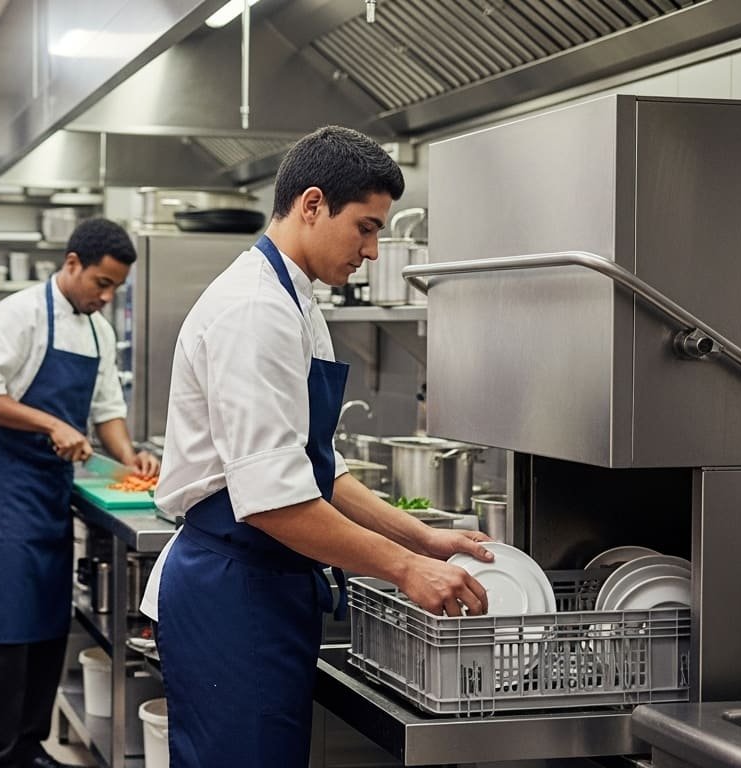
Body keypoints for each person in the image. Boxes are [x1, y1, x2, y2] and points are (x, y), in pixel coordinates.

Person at [140, 126, 493, 766]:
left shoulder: (298, 303)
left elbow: (316, 471)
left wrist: (422, 537)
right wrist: (406, 568)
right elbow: (275, 502)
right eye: (364, 227)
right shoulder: (254, 310)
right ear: (310, 204)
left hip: (267, 582)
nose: (373, 249)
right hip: (234, 588)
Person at [0, 218, 158, 768]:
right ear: (72, 264)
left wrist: (129, 454)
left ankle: (31, 745)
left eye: (115, 287)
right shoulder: (19, 313)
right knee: (8, 626)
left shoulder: (97, 330)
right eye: (100, 282)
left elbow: (105, 409)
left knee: (47, 622)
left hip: (53, 489)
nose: (107, 295)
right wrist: (49, 424)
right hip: (11, 484)